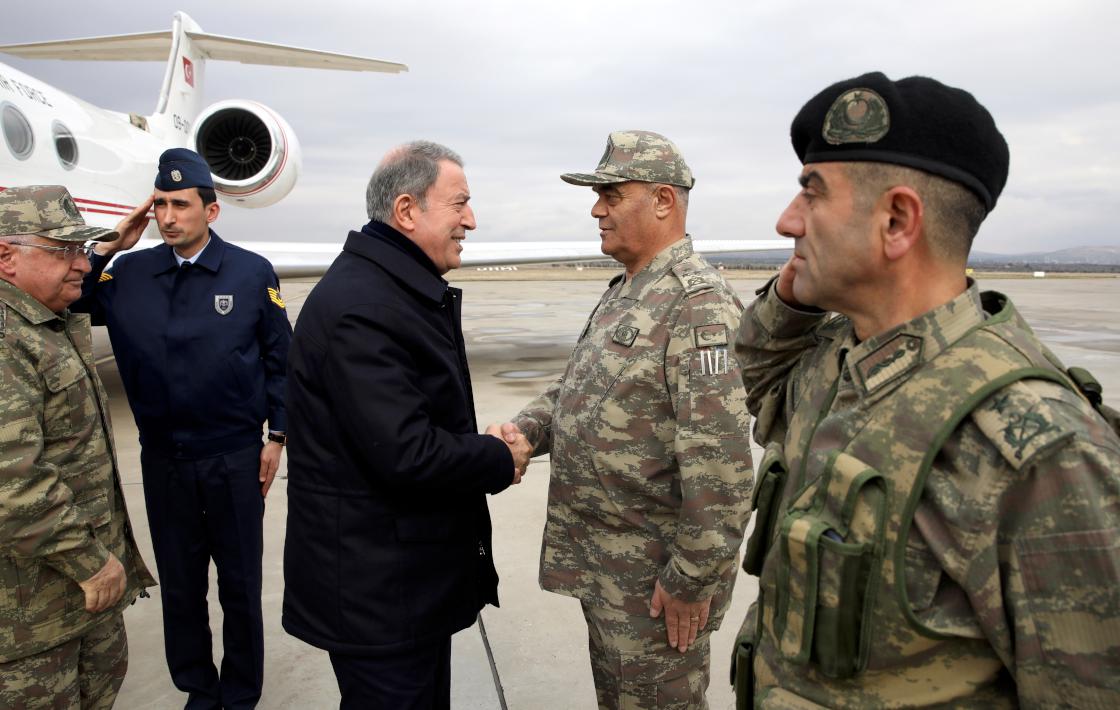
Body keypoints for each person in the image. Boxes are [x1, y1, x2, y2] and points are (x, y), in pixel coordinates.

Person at [731, 72, 1120, 708]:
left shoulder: (1036, 445)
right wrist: (792, 297)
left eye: (812, 194)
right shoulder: (841, 361)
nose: (786, 222)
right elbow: (759, 377)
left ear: (897, 220)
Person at [500, 130, 754, 709]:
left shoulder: (698, 305)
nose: (597, 209)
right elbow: (579, 390)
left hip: (657, 588)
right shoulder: (629, 290)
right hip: (611, 572)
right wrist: (525, 431)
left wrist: (691, 579)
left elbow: (721, 465)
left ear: (663, 201)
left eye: (611, 195)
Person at [281, 140, 531, 709]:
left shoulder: (392, 289)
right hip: (380, 598)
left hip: (402, 587)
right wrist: (498, 457)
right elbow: (406, 453)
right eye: (459, 203)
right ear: (406, 211)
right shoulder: (365, 308)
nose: (471, 220)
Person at [72, 149, 292, 709]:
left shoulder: (250, 272)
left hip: (234, 457)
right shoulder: (129, 274)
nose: (168, 218)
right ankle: (198, 688)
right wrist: (110, 245)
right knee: (180, 583)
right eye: (161, 205)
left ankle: (239, 694)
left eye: (181, 205)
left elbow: (281, 361)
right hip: (164, 460)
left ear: (211, 211)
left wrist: (277, 438)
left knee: (239, 584)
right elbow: (70, 296)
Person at [0, 185, 156, 708]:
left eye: (81, 250)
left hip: (76, 599)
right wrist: (91, 561)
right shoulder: (7, 338)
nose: (83, 265)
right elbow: (13, 483)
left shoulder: (43, 322)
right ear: (6, 256)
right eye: (63, 250)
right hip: (30, 621)